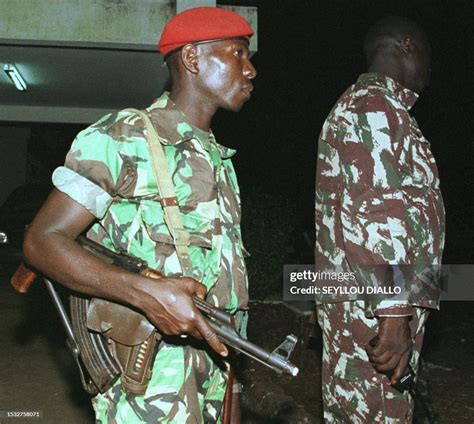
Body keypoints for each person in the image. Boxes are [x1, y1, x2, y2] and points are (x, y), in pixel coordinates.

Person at [23, 7, 256, 424]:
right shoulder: (124, 136)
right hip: (148, 385)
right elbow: (42, 241)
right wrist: (145, 294)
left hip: (212, 376)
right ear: (192, 59)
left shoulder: (220, 160)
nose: (250, 69)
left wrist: (231, 389)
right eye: (237, 53)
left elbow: (227, 291)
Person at [315, 16, 445, 422]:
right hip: (371, 314)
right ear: (405, 44)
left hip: (374, 305)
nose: (430, 67)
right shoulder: (373, 108)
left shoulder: (383, 110)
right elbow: (375, 212)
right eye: (426, 52)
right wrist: (392, 313)